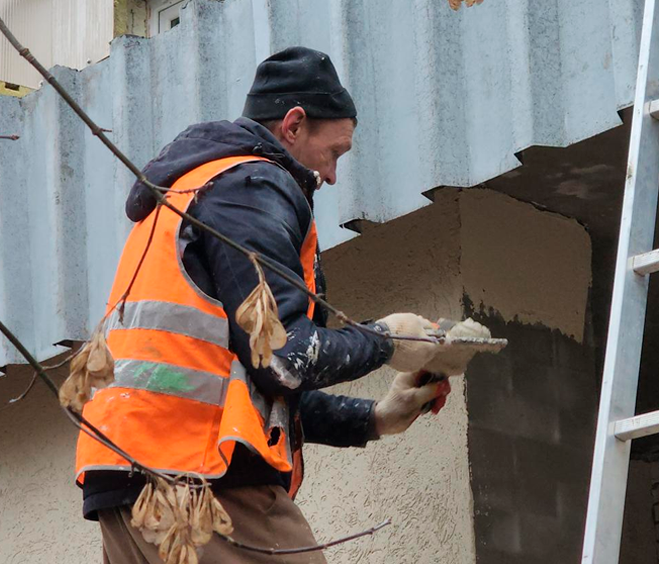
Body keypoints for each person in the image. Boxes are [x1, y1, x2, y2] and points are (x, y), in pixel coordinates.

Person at [75, 46, 446, 563]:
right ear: (293, 126)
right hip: (199, 478)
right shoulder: (251, 184)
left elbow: (240, 383)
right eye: (335, 152)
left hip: (134, 479)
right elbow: (285, 354)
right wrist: (388, 340)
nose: (333, 176)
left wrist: (375, 419)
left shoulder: (192, 188)